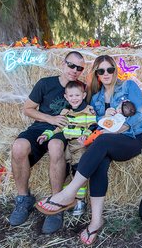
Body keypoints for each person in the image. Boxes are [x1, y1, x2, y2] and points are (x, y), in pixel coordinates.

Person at [36, 55, 142, 245]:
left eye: (110, 69)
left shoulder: (129, 87)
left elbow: (138, 115)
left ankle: (68, 193)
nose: (106, 74)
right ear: (97, 74)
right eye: (101, 71)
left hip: (130, 139)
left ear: (115, 70)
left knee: (102, 141)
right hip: (106, 140)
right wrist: (99, 121)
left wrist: (121, 126)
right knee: (100, 159)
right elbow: (94, 123)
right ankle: (96, 220)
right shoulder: (95, 98)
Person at [9, 51, 85, 234]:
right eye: (71, 65)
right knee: (18, 147)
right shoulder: (45, 83)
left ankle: (56, 203)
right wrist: (49, 119)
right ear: (63, 63)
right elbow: (27, 108)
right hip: (40, 126)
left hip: (62, 131)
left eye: (79, 68)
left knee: (56, 146)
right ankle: (23, 199)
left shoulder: (82, 89)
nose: (74, 70)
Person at [36, 80, 98, 216]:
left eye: (77, 95)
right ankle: (67, 198)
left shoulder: (88, 111)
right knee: (65, 169)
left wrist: (86, 136)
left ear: (83, 95)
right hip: (68, 145)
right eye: (71, 96)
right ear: (66, 97)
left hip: (80, 145)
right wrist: (46, 135)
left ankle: (80, 200)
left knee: (78, 170)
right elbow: (58, 128)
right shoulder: (66, 112)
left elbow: (93, 126)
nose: (74, 99)